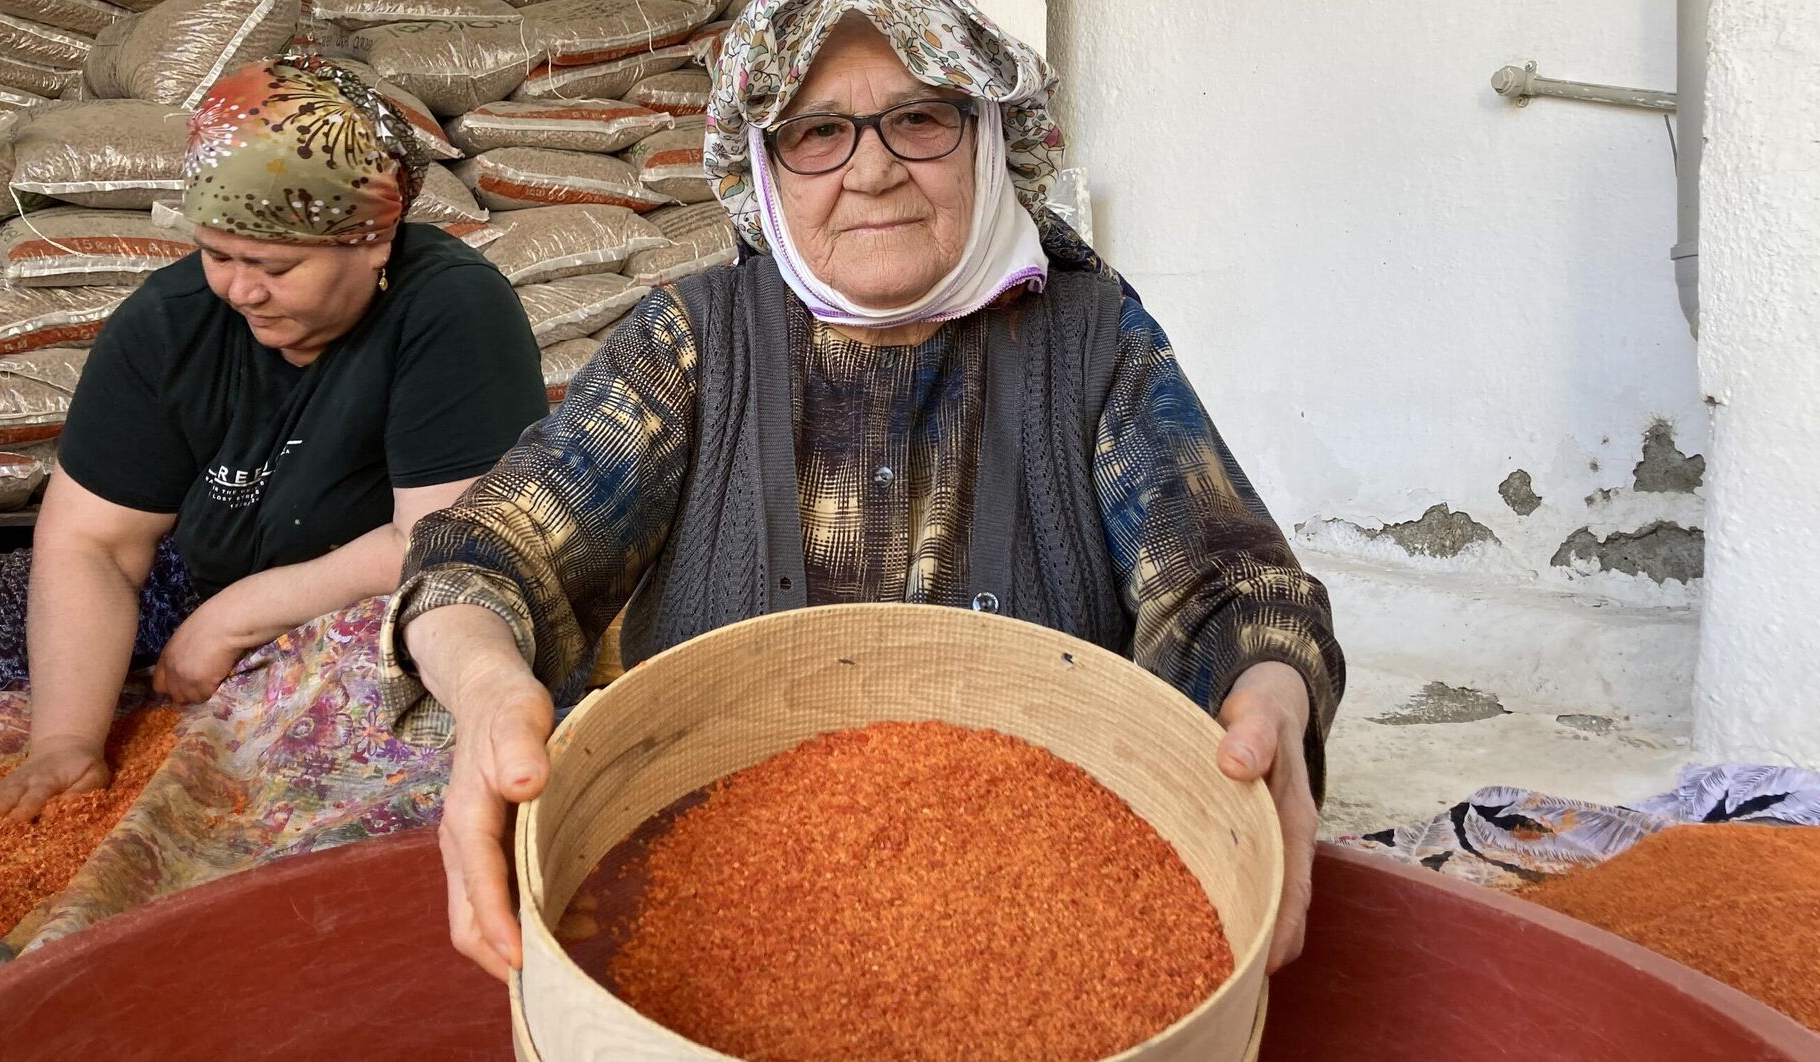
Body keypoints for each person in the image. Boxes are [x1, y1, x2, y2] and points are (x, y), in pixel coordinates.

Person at [382, 0, 1345, 982]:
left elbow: (1232, 584)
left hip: (1029, 904)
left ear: (989, 138)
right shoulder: (697, 340)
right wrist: (489, 689)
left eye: (921, 119)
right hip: (721, 902)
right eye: (817, 132)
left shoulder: (1094, 341)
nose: (873, 169)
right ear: (763, 169)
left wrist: (1268, 690)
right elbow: (481, 555)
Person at [0, 55, 546, 828]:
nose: (240, 290)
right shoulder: (169, 321)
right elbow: (92, 543)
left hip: (373, 606)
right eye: (218, 255)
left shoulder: (452, 311)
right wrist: (64, 738)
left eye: (275, 266)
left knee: (408, 729)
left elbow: (441, 542)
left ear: (374, 242)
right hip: (190, 581)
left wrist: (235, 618)